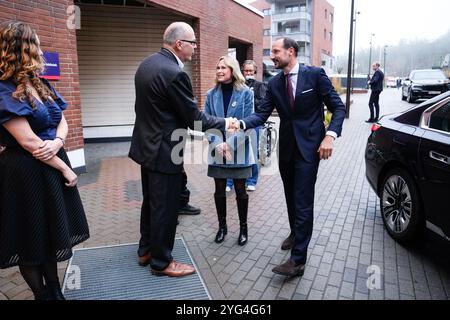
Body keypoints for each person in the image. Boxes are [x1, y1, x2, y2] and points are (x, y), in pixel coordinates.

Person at [232, 37, 346, 277]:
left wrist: (330, 136)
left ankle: (298, 261)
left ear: (291, 52)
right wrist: (241, 123)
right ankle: (296, 233)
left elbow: (338, 107)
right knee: (291, 198)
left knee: (303, 201)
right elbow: (262, 114)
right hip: (286, 150)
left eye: (275, 51)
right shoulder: (274, 83)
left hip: (309, 149)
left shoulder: (314, 75)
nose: (271, 55)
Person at [129, 22, 235, 277]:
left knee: (151, 203)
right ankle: (162, 262)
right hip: (165, 151)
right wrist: (225, 122)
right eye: (193, 43)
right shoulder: (175, 73)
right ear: (179, 44)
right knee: (166, 208)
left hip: (146, 147)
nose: (195, 48)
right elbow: (194, 118)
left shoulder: (147, 65)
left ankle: (145, 251)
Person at [0, 21, 90, 299]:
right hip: (25, 173)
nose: (40, 49)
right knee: (30, 238)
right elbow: (28, 142)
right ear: (24, 49)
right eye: (36, 44)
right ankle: (42, 294)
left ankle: (54, 289)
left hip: (50, 166)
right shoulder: (3, 89)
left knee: (49, 233)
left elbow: (62, 120)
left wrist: (59, 142)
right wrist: (66, 168)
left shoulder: (39, 83)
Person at [204, 56, 256, 246]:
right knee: (219, 191)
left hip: (239, 149)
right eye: (217, 67)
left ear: (232, 70)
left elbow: (249, 123)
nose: (219, 70)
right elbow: (206, 123)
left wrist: (230, 145)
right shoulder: (211, 94)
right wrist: (217, 144)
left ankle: (243, 228)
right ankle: (222, 227)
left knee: (241, 191)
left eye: (223, 67)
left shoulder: (246, 93)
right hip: (216, 149)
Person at [226, 60, 267, 192]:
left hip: (253, 123)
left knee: (252, 153)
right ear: (242, 71)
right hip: (237, 122)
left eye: (251, 71)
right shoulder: (237, 85)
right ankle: (229, 181)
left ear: (255, 71)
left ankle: (251, 180)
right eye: (246, 71)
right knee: (232, 149)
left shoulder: (260, 86)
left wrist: (249, 95)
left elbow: (262, 106)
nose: (249, 73)